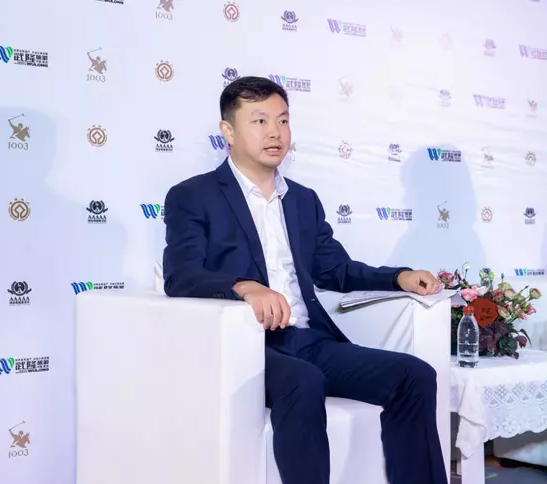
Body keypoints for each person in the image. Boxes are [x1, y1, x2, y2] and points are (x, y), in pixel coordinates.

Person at [162, 76, 447, 484]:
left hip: (311, 341)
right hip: (249, 347)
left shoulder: (303, 199)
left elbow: (336, 269)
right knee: (303, 380)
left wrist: (399, 277)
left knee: (414, 375)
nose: (275, 132)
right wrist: (244, 287)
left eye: (283, 120)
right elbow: (181, 275)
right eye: (260, 121)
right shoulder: (193, 196)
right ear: (228, 131)